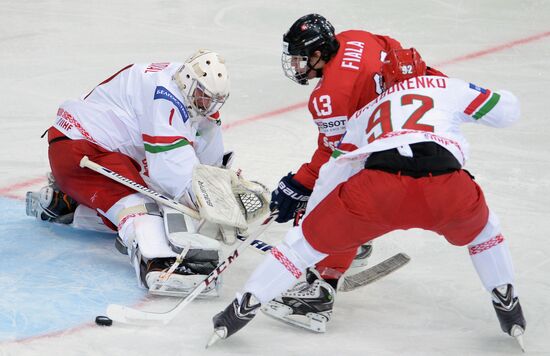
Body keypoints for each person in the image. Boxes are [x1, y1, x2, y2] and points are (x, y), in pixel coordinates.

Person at [211, 48, 526, 347]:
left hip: (377, 191)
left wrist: (314, 223)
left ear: (383, 81)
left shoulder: (366, 112)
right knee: (485, 231)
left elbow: (336, 170)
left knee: (299, 247)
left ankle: (242, 307)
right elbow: (508, 111)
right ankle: (507, 301)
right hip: (444, 186)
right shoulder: (446, 86)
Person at [268, 13, 445, 328]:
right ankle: (356, 242)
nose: (296, 64)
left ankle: (319, 290)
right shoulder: (355, 36)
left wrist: (299, 184)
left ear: (319, 54)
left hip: (395, 152)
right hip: (428, 117)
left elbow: (334, 155)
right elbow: (398, 53)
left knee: (333, 202)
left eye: (301, 57)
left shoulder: (329, 96)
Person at [25, 50, 244, 296]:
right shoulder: (165, 95)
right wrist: (208, 201)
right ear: (189, 82)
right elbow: (170, 168)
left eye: (214, 100)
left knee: (166, 204)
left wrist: (221, 184)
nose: (208, 104)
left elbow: (206, 150)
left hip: (111, 151)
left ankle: (67, 205)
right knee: (144, 208)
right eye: (204, 97)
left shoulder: (194, 89)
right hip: (82, 150)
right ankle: (160, 264)